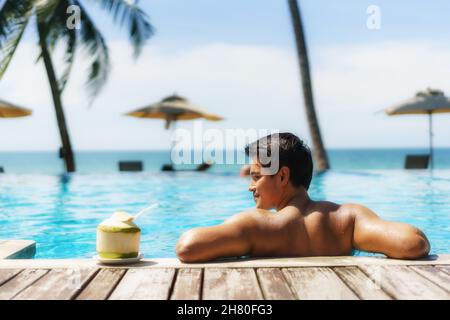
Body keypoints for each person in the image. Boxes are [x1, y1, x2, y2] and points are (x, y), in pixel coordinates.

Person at [176, 133, 430, 262]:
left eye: (256, 177)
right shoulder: (349, 219)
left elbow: (187, 247)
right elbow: (413, 242)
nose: (250, 187)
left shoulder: (256, 226)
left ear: (283, 176)